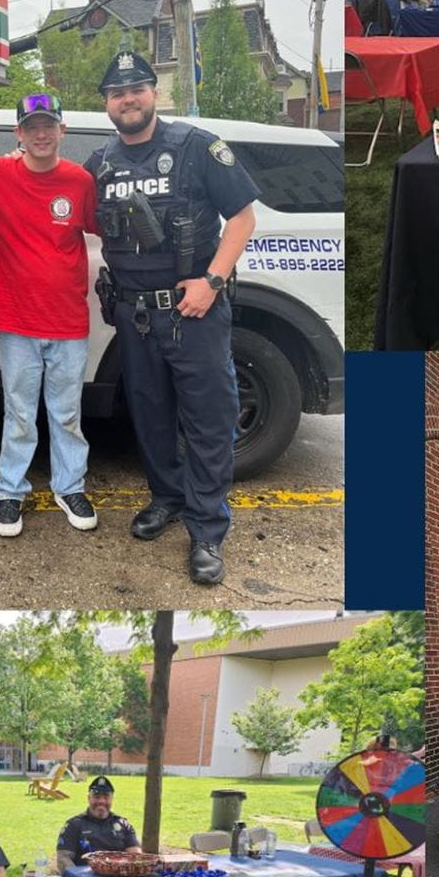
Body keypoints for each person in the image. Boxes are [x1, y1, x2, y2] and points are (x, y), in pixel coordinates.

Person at [86, 51, 258, 586]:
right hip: (134, 317)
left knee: (208, 422)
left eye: (137, 88)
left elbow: (243, 218)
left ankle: (208, 530)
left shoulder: (197, 147)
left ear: (153, 93)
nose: (128, 99)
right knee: (151, 416)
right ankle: (166, 499)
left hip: (194, 313)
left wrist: (211, 281)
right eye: (117, 92)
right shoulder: (99, 164)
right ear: (107, 103)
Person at [0, 94, 100, 539]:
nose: (40, 133)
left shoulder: (80, 181)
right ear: (18, 132)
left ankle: (69, 486)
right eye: (31, 126)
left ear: (61, 131)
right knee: (18, 413)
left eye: (48, 125)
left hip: (69, 320)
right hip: (16, 320)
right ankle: (11, 490)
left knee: (66, 413)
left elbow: (105, 230)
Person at [56, 775, 143, 872]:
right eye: (96, 797)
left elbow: (136, 857)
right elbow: (63, 858)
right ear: (88, 798)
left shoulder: (123, 824)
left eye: (106, 797)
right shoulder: (74, 825)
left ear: (112, 799)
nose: (101, 801)